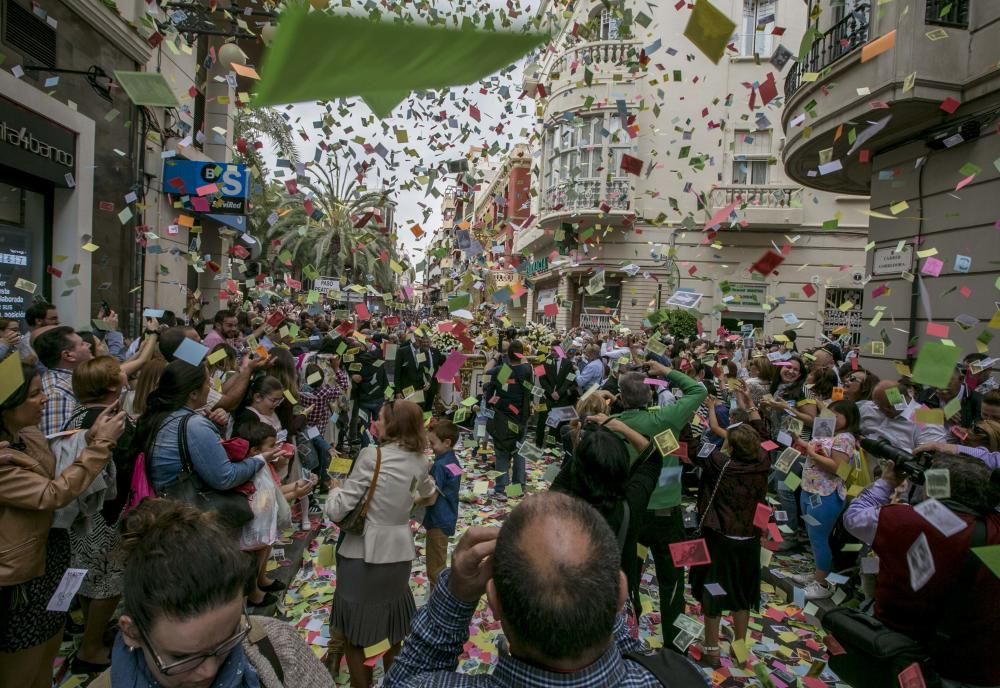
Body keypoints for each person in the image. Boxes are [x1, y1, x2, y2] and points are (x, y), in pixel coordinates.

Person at [383, 493, 706, 687]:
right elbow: (628, 646)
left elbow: (404, 680)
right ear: (621, 592)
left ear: (493, 603)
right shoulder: (681, 678)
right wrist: (599, 596)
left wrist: (453, 599)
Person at [90, 498, 333, 688]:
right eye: (181, 657)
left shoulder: (277, 645)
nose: (208, 671)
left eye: (230, 636)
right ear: (132, 633)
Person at [0, 363, 127, 688]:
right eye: (34, 395)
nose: (45, 399)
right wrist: (100, 446)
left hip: (50, 553)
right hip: (21, 578)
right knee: (22, 663)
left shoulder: (26, 436)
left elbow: (56, 457)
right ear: (7, 407)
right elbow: (52, 493)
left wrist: (89, 435)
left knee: (48, 646)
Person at [843, 454, 999, 688]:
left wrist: (887, 482)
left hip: (897, 653)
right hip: (975, 665)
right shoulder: (995, 531)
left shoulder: (905, 519)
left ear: (937, 486)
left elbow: (854, 517)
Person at [323, 400, 436, 688]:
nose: (376, 423)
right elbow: (428, 494)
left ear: (394, 425)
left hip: (363, 554)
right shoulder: (421, 461)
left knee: (355, 636)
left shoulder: (372, 455)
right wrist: (404, 502)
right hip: (398, 555)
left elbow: (338, 510)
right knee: (392, 629)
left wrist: (335, 490)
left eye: (382, 419)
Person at [612, 362, 707, 649]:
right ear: (651, 396)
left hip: (631, 515)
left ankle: (629, 641)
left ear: (621, 397)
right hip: (669, 517)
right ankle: (676, 648)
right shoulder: (666, 420)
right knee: (673, 582)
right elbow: (698, 390)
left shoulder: (615, 424)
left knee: (627, 580)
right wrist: (665, 370)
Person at [57, 356, 138, 673]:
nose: (126, 373)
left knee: (90, 578)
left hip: (84, 512)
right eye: (120, 372)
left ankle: (92, 631)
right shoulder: (109, 420)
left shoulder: (77, 415)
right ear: (110, 386)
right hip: (106, 514)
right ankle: (91, 648)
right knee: (108, 581)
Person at [688, 385, 770, 668]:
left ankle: (711, 650)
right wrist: (749, 406)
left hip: (719, 537)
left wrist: (686, 410)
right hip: (749, 538)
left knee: (714, 591)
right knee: (741, 594)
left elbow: (692, 446)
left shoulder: (721, 464)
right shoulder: (763, 461)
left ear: (731, 446)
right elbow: (766, 436)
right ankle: (740, 648)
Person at [550, 418, 659, 617]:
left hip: (567, 605)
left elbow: (574, 470)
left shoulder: (560, 502)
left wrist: (583, 444)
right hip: (613, 606)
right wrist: (622, 427)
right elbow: (653, 458)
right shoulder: (630, 505)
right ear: (623, 466)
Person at [131, 360, 264, 515]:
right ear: (193, 393)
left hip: (159, 510)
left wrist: (216, 427)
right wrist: (259, 460)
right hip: (183, 515)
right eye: (208, 383)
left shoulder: (158, 416)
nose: (211, 387)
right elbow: (225, 477)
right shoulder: (194, 425)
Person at [792, 400, 861, 600]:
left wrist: (812, 452)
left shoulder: (845, 438)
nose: (831, 417)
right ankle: (817, 574)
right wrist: (800, 440)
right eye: (829, 413)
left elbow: (838, 468)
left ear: (849, 419)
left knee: (819, 538)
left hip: (826, 494)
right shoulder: (826, 433)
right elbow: (817, 452)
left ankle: (822, 584)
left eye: (837, 415)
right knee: (813, 536)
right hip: (809, 489)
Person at [483, 340, 532, 499]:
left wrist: (496, 357)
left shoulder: (503, 370)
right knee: (519, 454)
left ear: (507, 355)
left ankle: (500, 490)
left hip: (503, 418)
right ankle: (517, 489)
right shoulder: (526, 370)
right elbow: (528, 393)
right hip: (520, 418)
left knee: (502, 454)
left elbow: (488, 379)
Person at [422, 419, 462, 592]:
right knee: (439, 559)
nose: (431, 447)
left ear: (447, 442)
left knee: (435, 568)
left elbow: (431, 498)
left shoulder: (439, 465)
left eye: (433, 443)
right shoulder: (453, 461)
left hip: (437, 519)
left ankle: (437, 601)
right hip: (448, 516)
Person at [33, 326, 94, 436]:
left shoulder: (70, 381)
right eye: (82, 344)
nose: (88, 345)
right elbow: (57, 446)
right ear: (68, 355)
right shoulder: (58, 393)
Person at [860, 381, 948, 453]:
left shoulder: (926, 417)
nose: (884, 411)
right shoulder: (870, 407)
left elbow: (929, 458)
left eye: (888, 407)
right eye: (879, 406)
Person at [536, 350, 577, 448]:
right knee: (541, 422)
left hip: (560, 400)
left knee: (554, 425)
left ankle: (550, 447)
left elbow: (570, 380)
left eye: (554, 350)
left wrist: (559, 393)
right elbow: (541, 379)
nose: (552, 352)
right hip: (545, 397)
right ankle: (538, 444)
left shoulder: (568, 363)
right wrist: (551, 392)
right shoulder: (544, 360)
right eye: (551, 350)